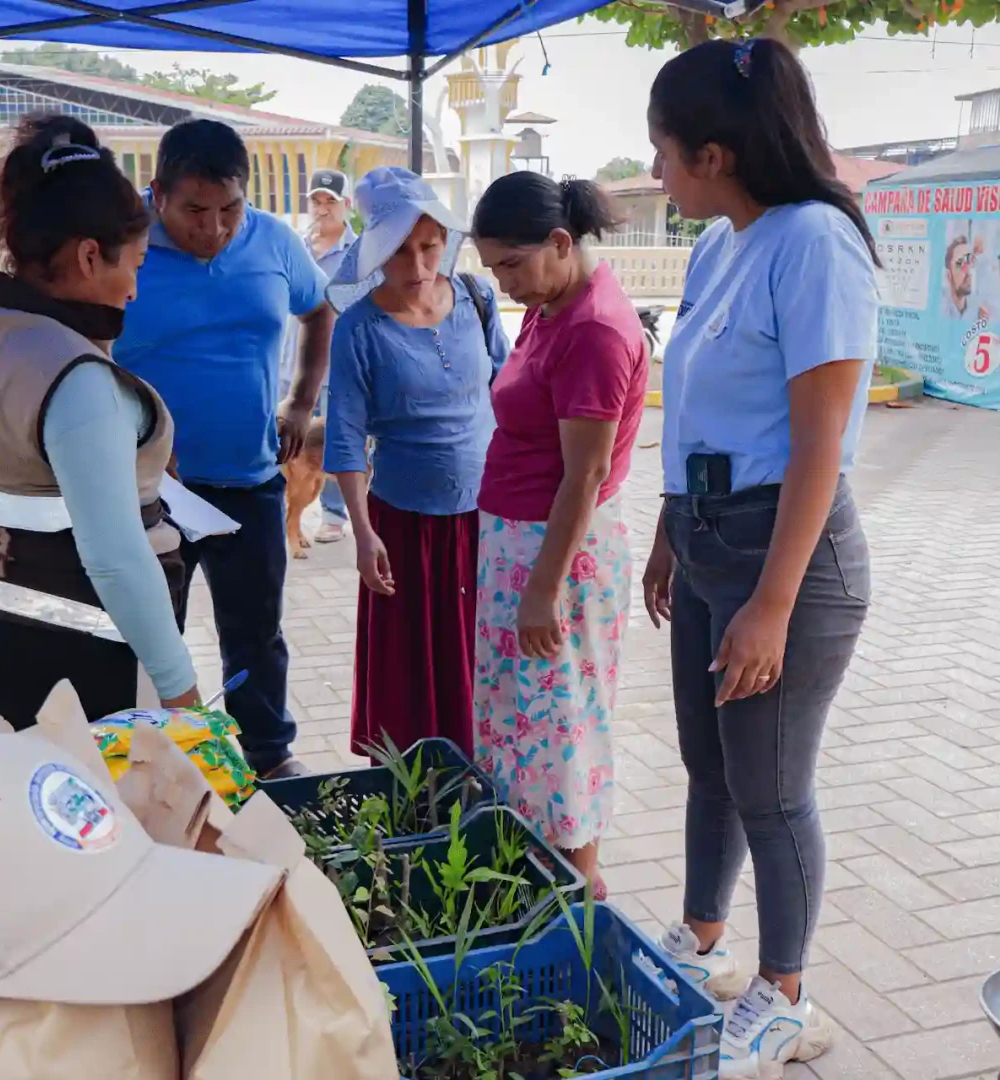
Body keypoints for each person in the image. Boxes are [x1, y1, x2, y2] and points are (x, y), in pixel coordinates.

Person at [640, 38, 877, 1078]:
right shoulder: (719, 244)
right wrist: (664, 534)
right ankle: (703, 937)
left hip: (786, 552)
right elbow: (693, 404)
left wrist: (773, 603)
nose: (654, 173)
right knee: (712, 766)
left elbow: (820, 438)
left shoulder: (815, 242)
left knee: (773, 786)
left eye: (663, 152)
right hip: (705, 539)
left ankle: (784, 993)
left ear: (717, 153)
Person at [0, 113, 200, 730]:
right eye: (136, 266)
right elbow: (115, 557)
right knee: (103, 819)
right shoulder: (75, 377)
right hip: (76, 649)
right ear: (91, 255)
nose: (134, 291)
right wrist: (181, 692)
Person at [116, 119, 334, 779]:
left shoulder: (274, 241)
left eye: (228, 210)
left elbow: (318, 310)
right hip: (150, 491)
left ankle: (269, 758)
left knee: (256, 634)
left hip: (249, 477)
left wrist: (301, 398)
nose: (212, 228)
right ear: (157, 195)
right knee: (150, 638)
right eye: (194, 211)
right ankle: (152, 770)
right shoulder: (124, 247)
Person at [470, 171, 648, 899]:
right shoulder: (552, 305)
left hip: (557, 556)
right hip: (523, 548)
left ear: (561, 243)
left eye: (512, 264)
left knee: (561, 720)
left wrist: (544, 586)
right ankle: (533, 865)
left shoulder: (594, 329)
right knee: (521, 719)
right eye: (493, 270)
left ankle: (578, 883)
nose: (505, 283)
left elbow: (585, 475)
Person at [324, 167, 508, 758]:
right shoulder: (358, 329)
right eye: (401, 251)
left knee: (483, 656)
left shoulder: (476, 298)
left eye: (430, 247)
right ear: (376, 250)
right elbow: (347, 439)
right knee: (414, 668)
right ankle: (419, 787)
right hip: (404, 527)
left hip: (486, 517)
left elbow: (508, 391)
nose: (421, 267)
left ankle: (488, 778)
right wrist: (362, 532)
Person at [284, 168, 359, 544]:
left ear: (346, 205)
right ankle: (287, 517)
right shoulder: (294, 246)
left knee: (332, 443)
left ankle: (332, 514)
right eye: (317, 200)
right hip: (290, 365)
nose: (323, 208)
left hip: (337, 367)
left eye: (331, 201)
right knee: (287, 445)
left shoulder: (359, 254)